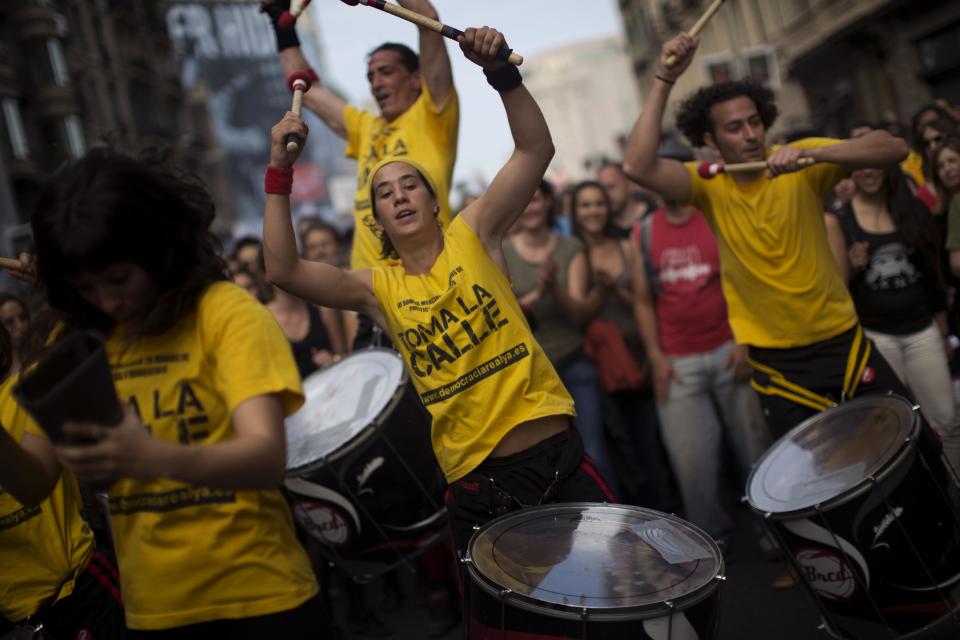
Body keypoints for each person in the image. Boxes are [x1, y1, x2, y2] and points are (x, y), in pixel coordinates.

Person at [263, 26, 614, 561]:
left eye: (410, 185)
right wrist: (279, 174)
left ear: (433, 201)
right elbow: (283, 269)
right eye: (383, 192)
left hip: (555, 461)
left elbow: (536, 148)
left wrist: (501, 75)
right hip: (479, 491)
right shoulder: (376, 287)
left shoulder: (474, 232)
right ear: (375, 218)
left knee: (610, 603)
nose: (398, 195)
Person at [0, 148, 325, 637]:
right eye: (87, 287)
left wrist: (151, 457)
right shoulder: (78, 340)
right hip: (152, 613)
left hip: (260, 599)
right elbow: (32, 482)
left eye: (120, 278)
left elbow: (265, 457)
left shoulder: (224, 312)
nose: (109, 300)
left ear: (157, 249)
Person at [622, 32, 911, 440]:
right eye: (734, 128)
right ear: (710, 141)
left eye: (754, 122)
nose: (750, 135)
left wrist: (817, 154)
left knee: (903, 441)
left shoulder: (804, 159)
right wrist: (664, 78)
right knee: (818, 481)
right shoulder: (706, 183)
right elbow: (636, 165)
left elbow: (893, 148)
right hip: (776, 360)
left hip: (841, 338)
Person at [262, 0, 458, 272]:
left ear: (416, 79)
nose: (376, 84)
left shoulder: (434, 114)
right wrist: (281, 23)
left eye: (386, 72)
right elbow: (307, 90)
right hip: (370, 292)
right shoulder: (366, 126)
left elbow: (427, 18)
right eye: (371, 77)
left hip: (429, 280)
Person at [631, 192, 772, 543]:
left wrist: (744, 339)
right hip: (679, 363)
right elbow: (643, 300)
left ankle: (775, 533)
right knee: (691, 463)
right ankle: (711, 545)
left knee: (757, 449)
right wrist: (656, 356)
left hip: (729, 349)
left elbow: (744, 279)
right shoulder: (644, 233)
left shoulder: (716, 216)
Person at [832, 162, 958, 470]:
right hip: (876, 336)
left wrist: (941, 331)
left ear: (888, 169)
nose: (868, 171)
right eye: (861, 167)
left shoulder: (911, 209)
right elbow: (835, 288)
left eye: (875, 166)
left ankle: (955, 490)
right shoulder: (842, 220)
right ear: (851, 174)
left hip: (921, 330)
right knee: (892, 427)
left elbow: (932, 274)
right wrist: (852, 264)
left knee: (947, 418)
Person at [502, 180, 620, 498]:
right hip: (532, 379)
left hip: (574, 364)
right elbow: (507, 316)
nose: (530, 207)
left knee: (594, 453)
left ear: (549, 203)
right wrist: (541, 291)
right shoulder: (503, 252)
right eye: (523, 200)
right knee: (549, 469)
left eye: (536, 199)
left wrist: (554, 288)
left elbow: (579, 313)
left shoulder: (570, 248)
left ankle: (617, 532)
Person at [569, 180, 670, 509]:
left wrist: (617, 290)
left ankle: (667, 509)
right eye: (585, 205)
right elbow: (576, 316)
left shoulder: (625, 244)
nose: (593, 211)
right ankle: (638, 517)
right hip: (604, 366)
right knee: (619, 446)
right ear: (576, 212)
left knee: (652, 439)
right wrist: (600, 290)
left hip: (640, 353)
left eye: (598, 203)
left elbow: (646, 301)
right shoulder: (574, 253)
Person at [597, 162, 656, 237]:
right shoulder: (603, 229)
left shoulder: (655, 217)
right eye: (601, 189)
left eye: (611, 187)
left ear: (630, 185)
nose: (605, 194)